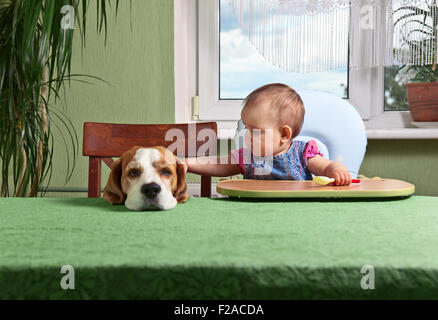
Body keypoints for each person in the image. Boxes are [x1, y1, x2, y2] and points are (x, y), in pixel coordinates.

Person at [186, 83, 352, 186]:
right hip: (255, 211)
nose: (247, 136)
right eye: (246, 129)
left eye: (255, 131)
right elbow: (217, 164)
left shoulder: (303, 153)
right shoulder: (247, 157)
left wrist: (337, 171)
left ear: (284, 134)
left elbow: (327, 167)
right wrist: (188, 163)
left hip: (297, 212)